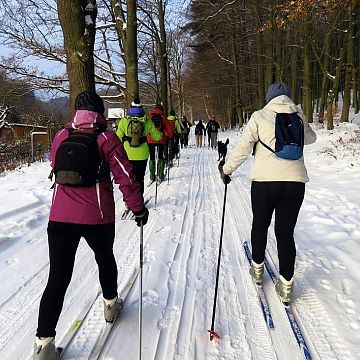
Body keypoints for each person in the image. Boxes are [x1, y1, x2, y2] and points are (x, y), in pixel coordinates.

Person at [33, 91, 149, 360]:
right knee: (105, 259)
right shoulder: (107, 138)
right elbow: (125, 176)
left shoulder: (62, 135)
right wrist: (138, 209)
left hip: (59, 217)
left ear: (76, 111)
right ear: (101, 112)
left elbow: (54, 164)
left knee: (58, 278)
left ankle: (43, 344)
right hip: (97, 216)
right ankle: (110, 304)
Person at [219, 82, 316, 305]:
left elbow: (243, 148)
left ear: (269, 97)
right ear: (289, 97)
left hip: (265, 183)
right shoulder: (298, 117)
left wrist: (226, 170)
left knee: (260, 225)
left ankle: (258, 269)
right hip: (295, 183)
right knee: (285, 233)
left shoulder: (260, 116)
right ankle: (287, 286)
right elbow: (311, 138)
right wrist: (298, 113)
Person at [116, 98, 162, 195]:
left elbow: (118, 137)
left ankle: (128, 201)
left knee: (129, 178)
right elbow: (157, 137)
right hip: (142, 155)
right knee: (139, 178)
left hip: (128, 154)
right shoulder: (147, 121)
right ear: (141, 108)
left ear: (131, 108)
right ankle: (139, 200)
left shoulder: (124, 121)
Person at [146, 104, 173, 183]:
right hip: (161, 140)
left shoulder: (149, 116)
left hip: (150, 140)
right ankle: (160, 175)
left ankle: (152, 176)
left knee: (152, 157)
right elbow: (169, 131)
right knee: (161, 156)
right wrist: (169, 136)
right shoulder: (163, 117)